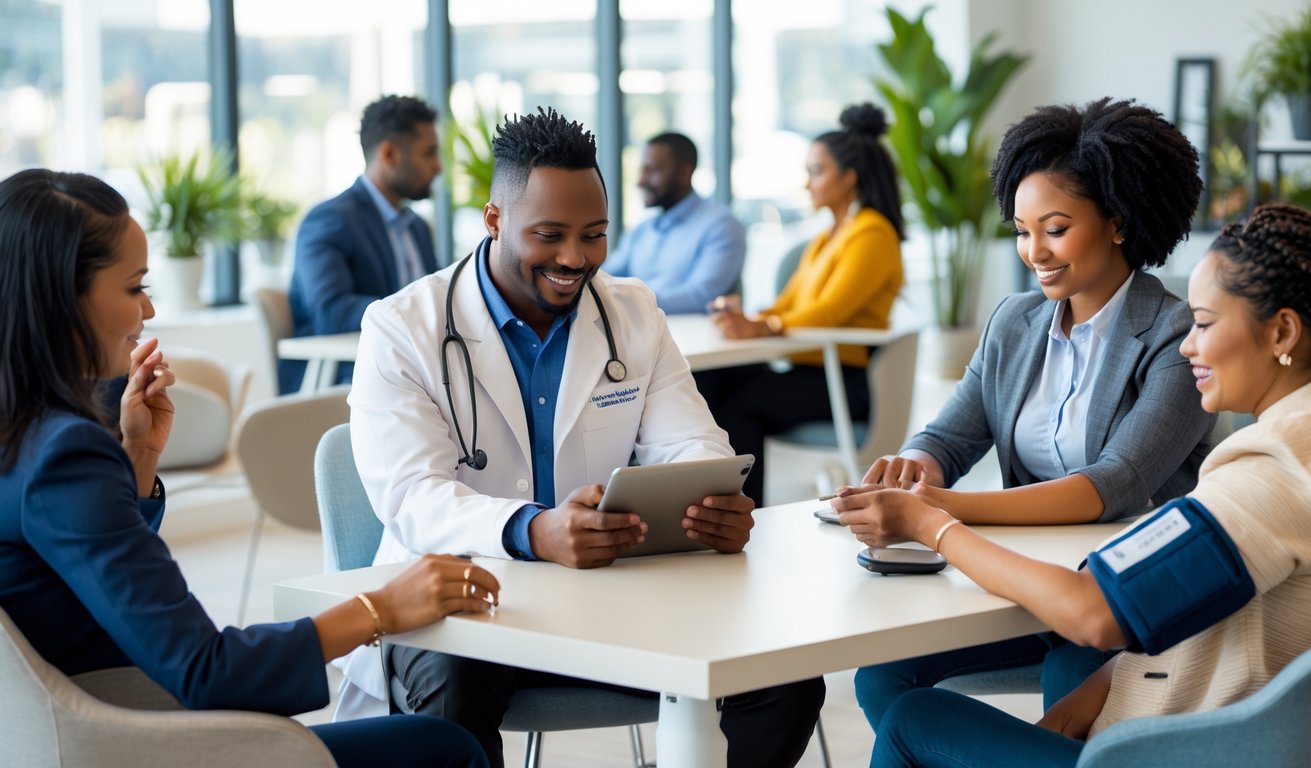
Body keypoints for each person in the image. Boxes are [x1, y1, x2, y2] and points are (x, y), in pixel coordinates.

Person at [340, 107, 824, 768]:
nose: (575, 259)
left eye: (594, 235)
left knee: (781, 674)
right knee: (452, 697)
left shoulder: (632, 313)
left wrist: (711, 503)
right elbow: (410, 496)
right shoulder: (402, 327)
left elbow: (692, 443)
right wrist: (533, 531)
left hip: (607, 600)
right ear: (494, 220)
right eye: (550, 236)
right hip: (463, 602)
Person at [0, 169, 493, 768]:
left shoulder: (23, 434)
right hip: (127, 741)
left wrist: (137, 458)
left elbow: (67, 567)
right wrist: (382, 608)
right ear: (62, 298)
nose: (149, 308)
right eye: (134, 287)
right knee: (444, 748)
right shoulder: (64, 453)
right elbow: (208, 672)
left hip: (70, 725)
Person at [835, 201, 1311, 767]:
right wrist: (1100, 687)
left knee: (916, 721)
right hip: (1193, 727)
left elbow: (1093, 612)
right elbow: (1206, 603)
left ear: (1282, 332)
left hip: (1166, 752)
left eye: (1204, 323)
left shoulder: (1277, 466)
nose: (1188, 344)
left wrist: (932, 525)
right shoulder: (1310, 437)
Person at [852, 97, 1219, 726]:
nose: (1034, 252)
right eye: (1022, 231)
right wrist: (914, 467)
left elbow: (1114, 484)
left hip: (1125, 591)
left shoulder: (1177, 334)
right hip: (1026, 579)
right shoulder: (1014, 322)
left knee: (1070, 676)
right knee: (886, 673)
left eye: (1055, 229)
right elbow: (949, 437)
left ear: (1118, 222)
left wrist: (936, 512)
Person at [697, 102, 906, 508]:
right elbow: (785, 305)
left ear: (849, 177)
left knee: (740, 404)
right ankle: (698, 502)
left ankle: (743, 514)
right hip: (814, 371)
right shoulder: (828, 236)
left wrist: (764, 327)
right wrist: (747, 318)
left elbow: (830, 312)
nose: (807, 183)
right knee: (715, 380)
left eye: (816, 171)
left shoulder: (872, 233)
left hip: (846, 382)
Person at [282, 94, 442, 394]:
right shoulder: (329, 220)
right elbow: (331, 312)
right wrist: (414, 313)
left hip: (413, 371)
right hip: (343, 379)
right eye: (429, 153)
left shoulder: (417, 227)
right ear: (389, 154)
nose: (438, 166)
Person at [601, 132, 746, 313]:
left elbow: (702, 295)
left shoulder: (721, 225)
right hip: (637, 325)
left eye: (652, 170)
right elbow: (604, 276)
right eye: (642, 170)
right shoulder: (642, 229)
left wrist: (629, 301)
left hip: (686, 329)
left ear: (684, 173)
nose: (641, 181)